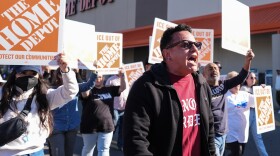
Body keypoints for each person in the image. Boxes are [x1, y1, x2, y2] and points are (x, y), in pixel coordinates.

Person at [123, 24, 215, 156]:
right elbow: (136, 142)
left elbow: (209, 130)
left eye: (197, 44)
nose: (195, 49)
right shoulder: (146, 87)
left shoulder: (201, 83)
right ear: (167, 54)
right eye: (186, 45)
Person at [0, 54, 79, 156]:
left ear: (38, 76)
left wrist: (66, 70)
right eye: (23, 72)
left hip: (35, 152)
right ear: (15, 74)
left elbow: (70, 91)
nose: (28, 77)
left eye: (33, 73)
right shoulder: (2, 94)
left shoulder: (44, 96)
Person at [203, 50, 255, 156]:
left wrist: (248, 60)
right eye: (210, 68)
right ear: (204, 74)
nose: (213, 70)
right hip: (211, 135)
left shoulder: (224, 85)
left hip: (223, 134)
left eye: (215, 68)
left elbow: (241, 76)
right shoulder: (201, 88)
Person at [47, 67, 97, 156]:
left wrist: (95, 71)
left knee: (69, 154)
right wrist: (45, 73)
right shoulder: (50, 89)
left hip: (72, 126)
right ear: (58, 75)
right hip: (56, 128)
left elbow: (88, 85)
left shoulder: (75, 87)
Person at [80, 69, 126, 156]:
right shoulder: (89, 90)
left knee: (104, 150)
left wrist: (122, 76)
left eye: (100, 77)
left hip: (106, 125)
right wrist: (91, 78)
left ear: (103, 78)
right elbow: (84, 94)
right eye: (96, 77)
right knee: (88, 150)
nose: (98, 79)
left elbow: (122, 88)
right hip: (89, 126)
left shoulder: (109, 89)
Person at [224, 71, 254, 156]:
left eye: (238, 81)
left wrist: (263, 90)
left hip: (243, 133)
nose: (237, 84)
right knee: (237, 152)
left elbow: (260, 101)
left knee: (240, 153)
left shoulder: (245, 95)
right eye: (234, 81)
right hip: (230, 133)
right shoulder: (224, 96)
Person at [240, 72, 268, 156]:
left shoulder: (255, 88)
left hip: (255, 114)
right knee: (242, 138)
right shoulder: (242, 89)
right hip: (246, 114)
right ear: (246, 79)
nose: (253, 79)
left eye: (255, 78)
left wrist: (263, 89)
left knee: (258, 138)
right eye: (251, 78)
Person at [105, 70, 129, 151]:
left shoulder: (127, 78)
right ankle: (107, 141)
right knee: (114, 124)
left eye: (122, 69)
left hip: (125, 107)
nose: (121, 71)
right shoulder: (111, 79)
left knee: (123, 127)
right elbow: (106, 92)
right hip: (114, 106)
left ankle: (120, 145)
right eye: (120, 69)